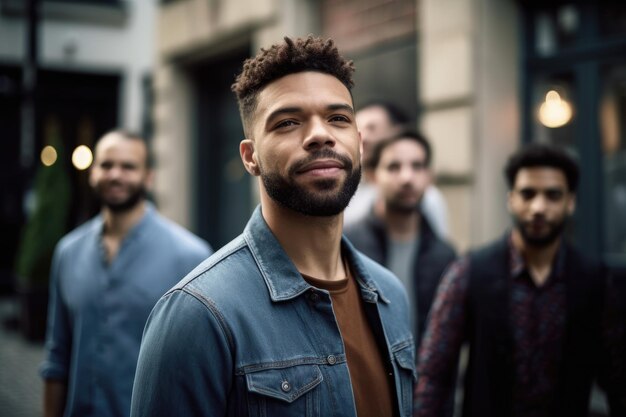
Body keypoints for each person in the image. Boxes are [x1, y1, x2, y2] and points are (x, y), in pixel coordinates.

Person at [130, 36, 415, 417]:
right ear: (250, 157)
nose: (320, 134)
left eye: (338, 118)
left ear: (359, 144)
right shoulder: (198, 316)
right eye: (288, 122)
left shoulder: (390, 295)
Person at [414, 144, 626, 417]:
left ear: (570, 202)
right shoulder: (470, 271)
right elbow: (434, 374)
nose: (539, 207)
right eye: (528, 194)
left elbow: (618, 378)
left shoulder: (594, 280)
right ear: (511, 199)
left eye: (552, 195)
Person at [40, 130, 212, 417]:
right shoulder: (68, 252)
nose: (115, 175)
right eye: (106, 165)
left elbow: (201, 371)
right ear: (93, 172)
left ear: (148, 176)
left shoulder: (191, 256)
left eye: (128, 166)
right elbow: (57, 357)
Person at [345, 131, 456, 345]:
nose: (407, 178)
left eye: (417, 166)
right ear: (373, 176)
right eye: (394, 167)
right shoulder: (347, 243)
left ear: (429, 176)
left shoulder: (444, 255)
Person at [344, 101, 450, 238]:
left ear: (397, 131)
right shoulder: (347, 188)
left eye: (372, 128)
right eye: (358, 129)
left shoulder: (427, 198)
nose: (363, 138)